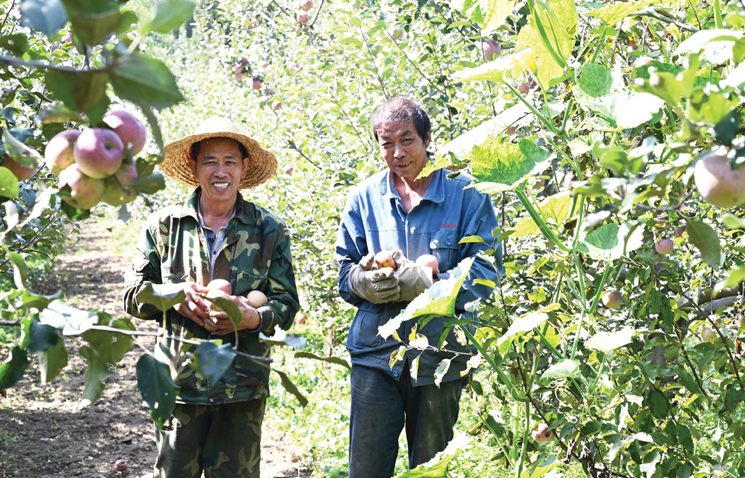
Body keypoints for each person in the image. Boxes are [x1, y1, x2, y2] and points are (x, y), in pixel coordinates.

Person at [123, 117, 299, 478]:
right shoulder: (164, 227)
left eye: (230, 161)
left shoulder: (269, 230)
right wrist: (172, 296)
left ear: (244, 166)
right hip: (178, 386)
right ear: (193, 165)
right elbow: (132, 297)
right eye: (210, 161)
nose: (221, 172)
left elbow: (286, 303)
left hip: (242, 388)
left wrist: (253, 318)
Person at [335, 98, 502, 477]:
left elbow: (487, 271)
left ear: (428, 138)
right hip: (375, 355)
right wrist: (362, 282)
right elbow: (344, 274)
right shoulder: (364, 198)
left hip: (439, 356)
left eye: (407, 140)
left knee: (429, 468)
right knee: (366, 467)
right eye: (386, 143)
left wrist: (431, 285)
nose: (397, 152)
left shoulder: (468, 194)